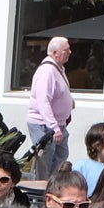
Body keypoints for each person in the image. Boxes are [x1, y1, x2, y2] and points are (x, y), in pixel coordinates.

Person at [25, 35, 74, 180]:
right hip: (45, 125)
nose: (70, 52)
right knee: (44, 162)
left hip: (58, 124)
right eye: (66, 49)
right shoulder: (47, 71)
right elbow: (43, 101)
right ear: (55, 53)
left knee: (61, 155)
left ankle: (51, 185)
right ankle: (40, 192)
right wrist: (53, 126)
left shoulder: (58, 69)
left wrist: (69, 102)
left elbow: (56, 94)